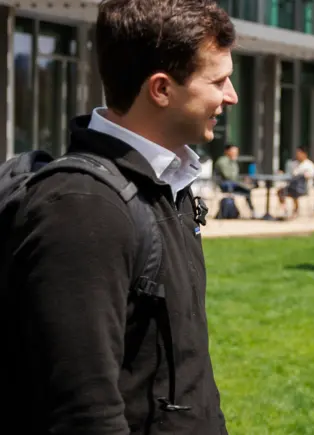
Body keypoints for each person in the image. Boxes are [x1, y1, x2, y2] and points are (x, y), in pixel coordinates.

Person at [0, 0, 237, 433]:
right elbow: (83, 411)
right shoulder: (81, 207)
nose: (231, 96)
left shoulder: (168, 184)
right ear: (161, 89)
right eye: (218, 80)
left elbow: (185, 374)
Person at [214, 143, 256, 215]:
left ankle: (252, 211)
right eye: (234, 151)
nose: (236, 153)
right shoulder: (222, 161)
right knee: (246, 189)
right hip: (225, 184)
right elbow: (228, 176)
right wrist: (241, 182)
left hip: (232, 183)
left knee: (247, 190)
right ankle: (250, 211)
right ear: (227, 151)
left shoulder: (233, 161)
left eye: (237, 152)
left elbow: (235, 176)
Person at [277, 147, 314, 219]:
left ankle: (295, 211)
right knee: (280, 191)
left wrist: (302, 176)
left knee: (294, 192)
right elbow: (291, 175)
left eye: (299, 153)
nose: (297, 155)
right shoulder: (295, 164)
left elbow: (309, 176)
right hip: (293, 186)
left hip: (304, 188)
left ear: (304, 154)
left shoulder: (309, 165)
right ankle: (285, 210)